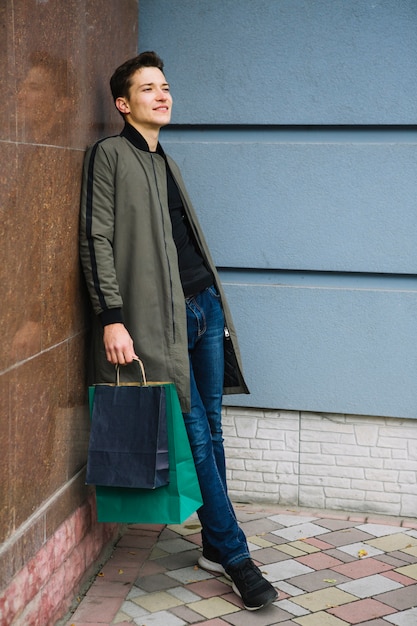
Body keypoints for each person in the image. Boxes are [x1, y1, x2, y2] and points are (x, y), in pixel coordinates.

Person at [79, 51, 278, 611]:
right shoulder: (110, 156)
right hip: (158, 321)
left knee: (211, 427)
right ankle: (237, 558)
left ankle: (215, 545)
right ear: (124, 104)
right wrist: (111, 317)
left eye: (164, 86)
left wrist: (210, 302)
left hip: (204, 307)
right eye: (148, 89)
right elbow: (95, 240)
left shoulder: (164, 160)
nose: (162, 95)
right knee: (192, 432)